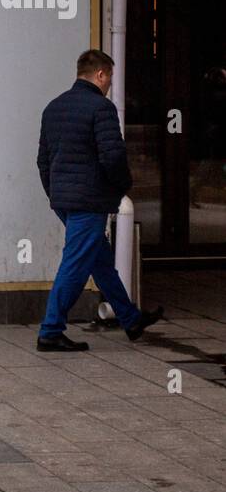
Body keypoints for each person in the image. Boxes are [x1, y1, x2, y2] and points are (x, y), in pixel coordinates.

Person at [36, 49, 163, 352]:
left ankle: (130, 319)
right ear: (101, 74)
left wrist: (55, 193)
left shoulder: (53, 107)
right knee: (76, 264)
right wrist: (123, 185)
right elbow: (113, 155)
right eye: (109, 78)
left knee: (100, 261)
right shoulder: (100, 108)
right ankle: (50, 331)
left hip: (65, 200)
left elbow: (42, 160)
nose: (109, 85)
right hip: (89, 201)